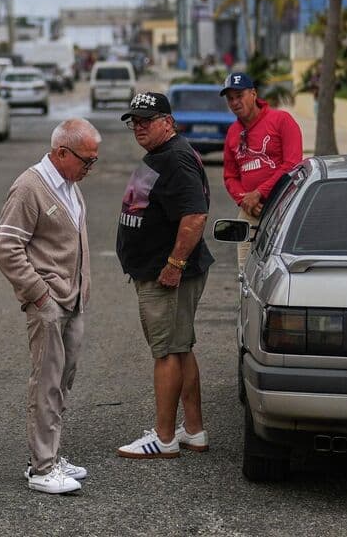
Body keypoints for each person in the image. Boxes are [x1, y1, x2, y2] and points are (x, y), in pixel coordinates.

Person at [0, 118, 99, 495]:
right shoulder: (29, 187)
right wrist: (39, 294)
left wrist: (81, 286)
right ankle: (42, 467)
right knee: (47, 382)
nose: (90, 168)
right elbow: (5, 247)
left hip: (71, 301)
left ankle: (50, 453)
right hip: (49, 303)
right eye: (87, 160)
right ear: (61, 153)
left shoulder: (68, 184)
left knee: (63, 381)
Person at [114, 91, 211, 459]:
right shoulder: (163, 155)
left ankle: (165, 437)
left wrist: (174, 265)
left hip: (167, 275)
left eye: (147, 120)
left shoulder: (176, 160)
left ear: (167, 122)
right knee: (180, 348)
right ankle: (194, 430)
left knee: (167, 352)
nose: (138, 127)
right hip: (160, 270)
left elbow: (195, 215)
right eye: (134, 121)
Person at [219, 72, 303, 220]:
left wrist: (259, 193)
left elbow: (292, 164)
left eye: (239, 96)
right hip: (250, 210)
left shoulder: (281, 120)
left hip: (284, 207)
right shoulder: (232, 132)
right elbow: (230, 176)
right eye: (230, 99)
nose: (235, 102)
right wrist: (245, 200)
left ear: (253, 94)